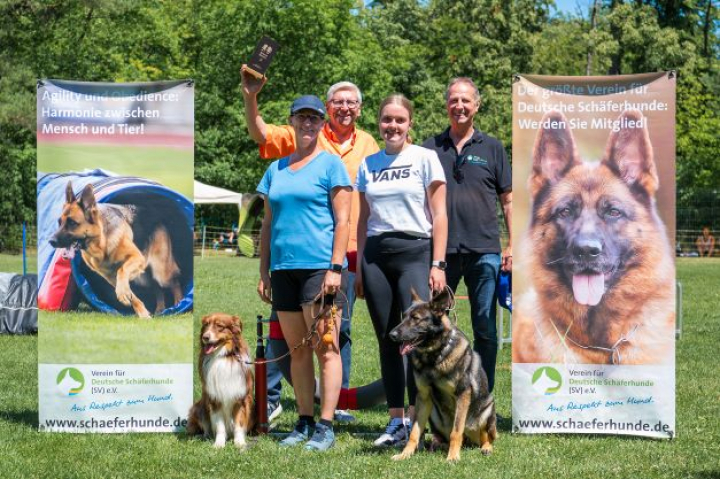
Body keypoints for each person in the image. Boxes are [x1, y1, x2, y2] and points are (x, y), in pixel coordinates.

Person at [242, 66, 379, 422]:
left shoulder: (369, 144)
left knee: (335, 336)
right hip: (290, 260)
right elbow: (259, 133)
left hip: (341, 253)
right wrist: (250, 95)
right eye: (337, 102)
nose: (344, 107)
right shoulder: (296, 144)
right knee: (289, 335)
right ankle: (274, 398)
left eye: (351, 102)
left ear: (359, 109)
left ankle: (335, 408)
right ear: (326, 110)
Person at [256, 95, 352, 451]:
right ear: (292, 121)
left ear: (322, 123)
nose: (308, 124)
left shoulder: (331, 165)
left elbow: (343, 219)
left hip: (319, 269)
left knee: (325, 347)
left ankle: (326, 427)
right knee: (297, 350)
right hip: (283, 269)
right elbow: (267, 223)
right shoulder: (275, 169)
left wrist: (335, 268)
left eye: (315, 119)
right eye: (302, 118)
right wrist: (264, 270)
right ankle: (304, 421)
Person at [355, 94, 447, 447]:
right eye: (386, 120)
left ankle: (420, 419)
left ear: (410, 123)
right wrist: (361, 265)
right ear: (378, 122)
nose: (392, 126)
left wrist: (437, 263)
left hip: (415, 252)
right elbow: (364, 221)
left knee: (416, 338)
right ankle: (396, 420)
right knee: (388, 339)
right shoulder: (368, 164)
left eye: (399, 120)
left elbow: (439, 215)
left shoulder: (425, 158)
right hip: (376, 256)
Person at [422, 77, 511, 395]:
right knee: (433, 327)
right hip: (440, 255)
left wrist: (511, 244)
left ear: (477, 105)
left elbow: (508, 199)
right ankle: (438, 396)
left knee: (485, 328)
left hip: (484, 250)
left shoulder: (493, 147)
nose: (459, 106)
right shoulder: (429, 148)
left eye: (465, 100)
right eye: (453, 100)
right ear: (446, 104)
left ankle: (480, 395)